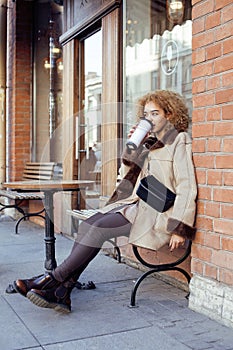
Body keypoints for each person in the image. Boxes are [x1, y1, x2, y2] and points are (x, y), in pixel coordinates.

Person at [13, 90, 197, 313]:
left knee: (97, 228)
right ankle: (62, 291)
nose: (149, 118)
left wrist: (180, 227)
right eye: (146, 114)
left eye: (155, 113)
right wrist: (132, 149)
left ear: (170, 114)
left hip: (158, 213)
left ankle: (52, 281)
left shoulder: (179, 139)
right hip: (135, 205)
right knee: (89, 224)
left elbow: (187, 186)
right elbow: (127, 176)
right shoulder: (148, 142)